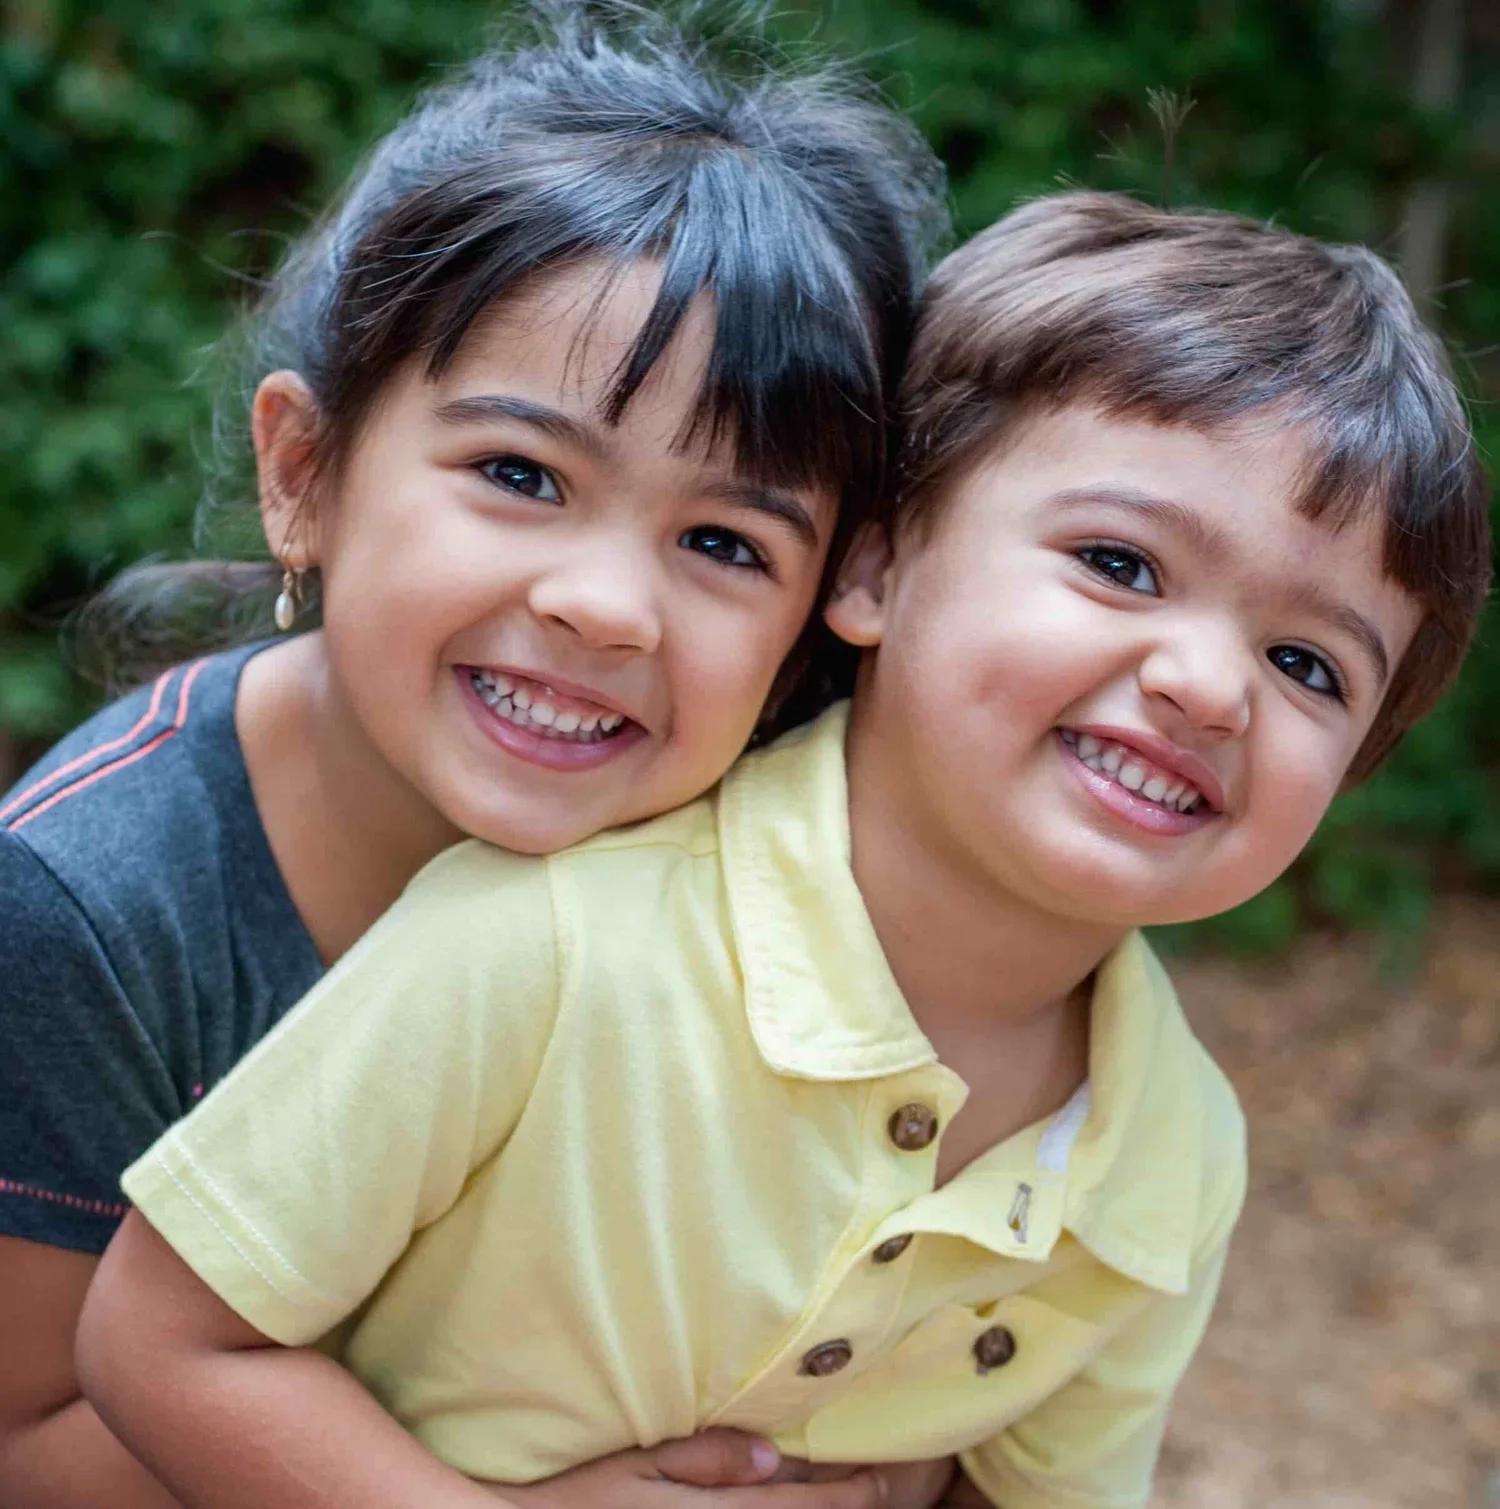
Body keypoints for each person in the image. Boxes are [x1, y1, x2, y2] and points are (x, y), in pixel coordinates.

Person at [74, 191, 1490, 1509]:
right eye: (1121, 565)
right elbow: (159, 1345)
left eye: (1309, 663)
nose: (1208, 685)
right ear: (872, 568)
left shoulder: (1170, 1153)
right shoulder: (545, 947)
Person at [0, 8, 951, 1506]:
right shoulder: (92, 910)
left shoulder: (803, 883)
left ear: (831, 601)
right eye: (520, 474)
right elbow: (29, 1442)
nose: (603, 603)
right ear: (304, 474)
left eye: (722, 540)